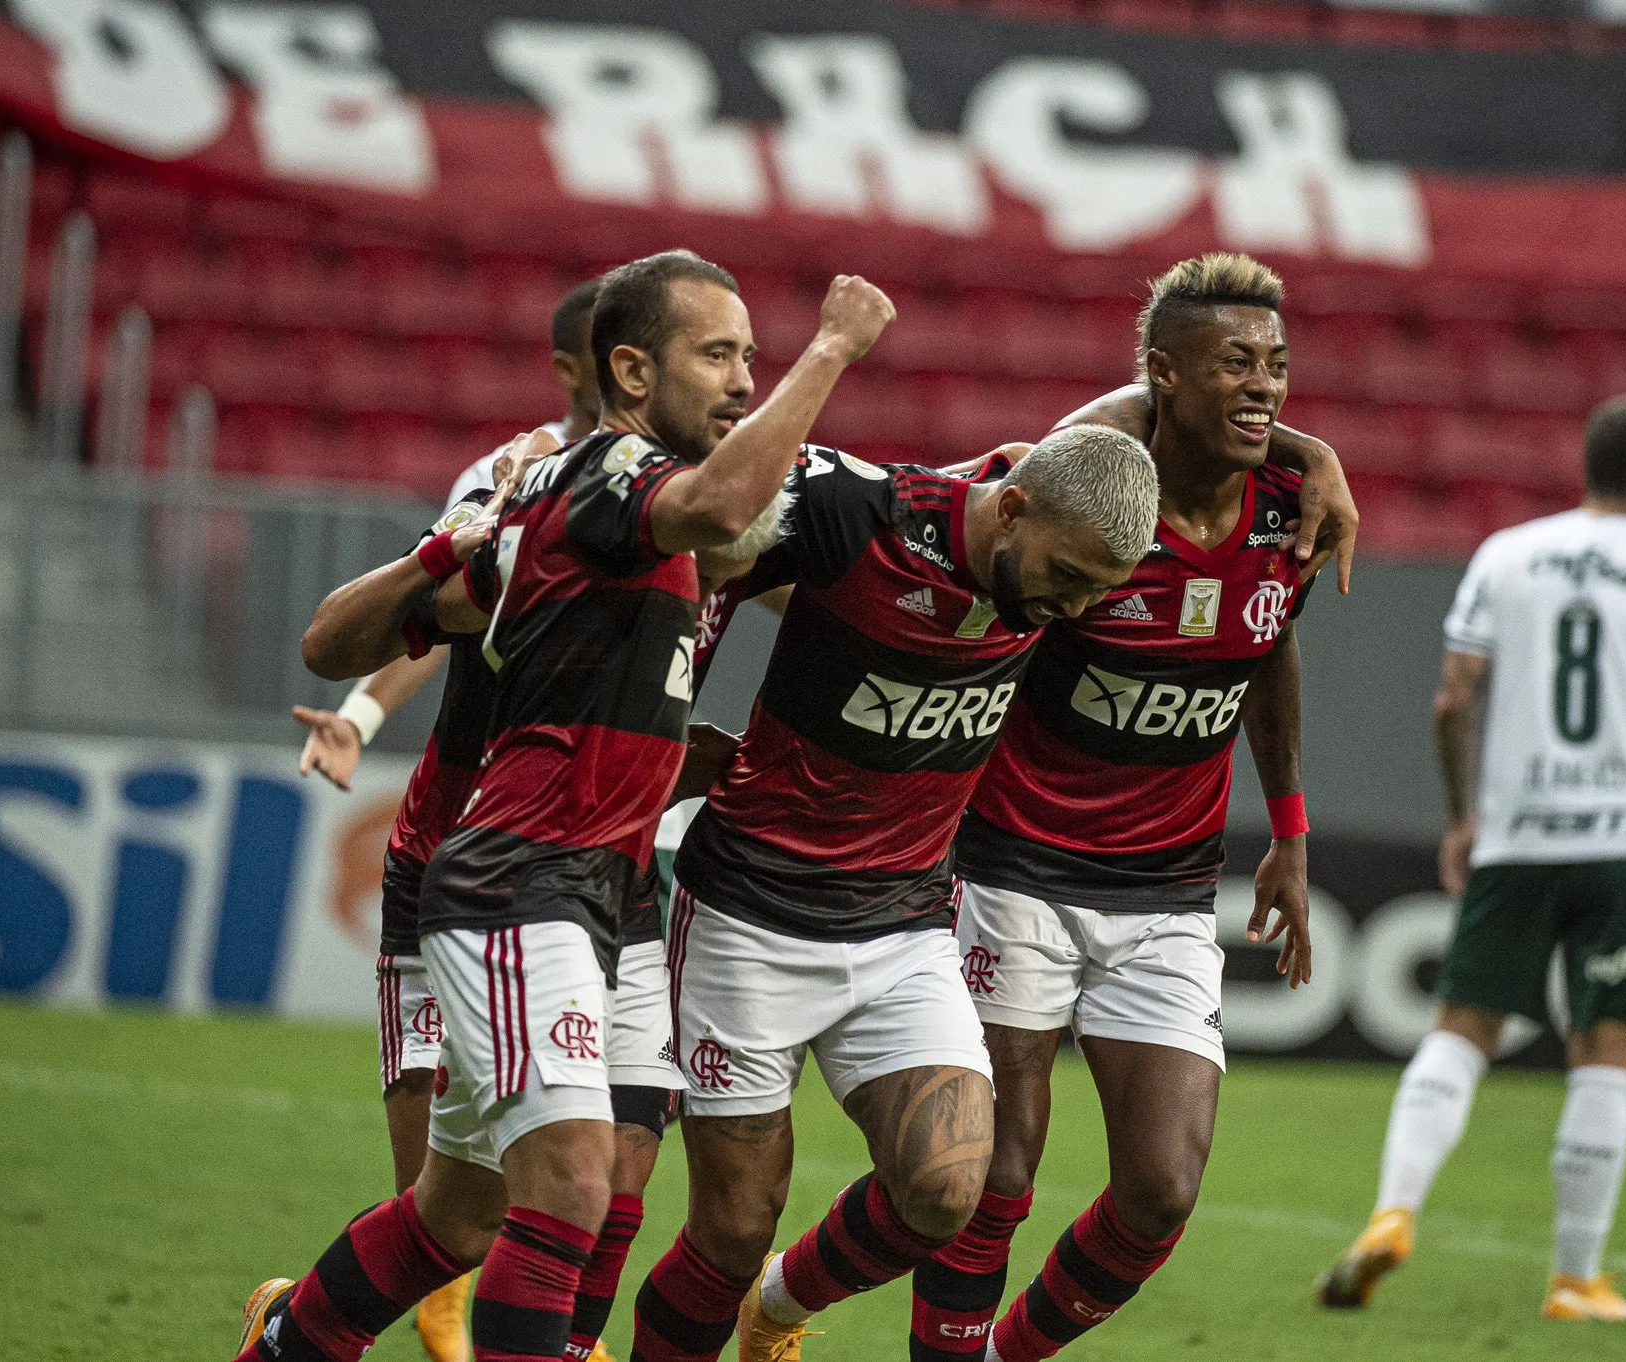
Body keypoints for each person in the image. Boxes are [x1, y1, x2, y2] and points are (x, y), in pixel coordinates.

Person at [232, 251, 895, 1362]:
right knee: (570, 1180)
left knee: (490, 1204)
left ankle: (285, 1341)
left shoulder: (601, 502)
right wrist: (830, 350)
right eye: (718, 355)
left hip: (614, 884)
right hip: (515, 880)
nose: (744, 379)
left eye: (754, 356)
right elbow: (337, 638)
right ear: (630, 372)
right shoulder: (608, 484)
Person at [619, 424, 1160, 1362]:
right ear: (1014, 507)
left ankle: (776, 1309)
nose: (1072, 606)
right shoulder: (858, 516)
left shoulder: (1040, 515)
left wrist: (1310, 457)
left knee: (950, 1188)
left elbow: (1149, 404)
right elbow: (708, 534)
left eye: (1096, 591)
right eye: (1068, 574)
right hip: (747, 915)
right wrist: (656, 730)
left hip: (902, 923)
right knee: (733, 1228)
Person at [902, 253, 1316, 1362]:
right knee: (998, 1170)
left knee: (1162, 1191)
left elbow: (1269, 656)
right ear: (1160, 376)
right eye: (1233, 362)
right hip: (1014, 863)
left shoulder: (1290, 509)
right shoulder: (1083, 501)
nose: (1263, 387)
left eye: (1276, 365)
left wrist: (1287, 832)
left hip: (1168, 888)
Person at [1315, 394, 1626, 1323]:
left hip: (1517, 839)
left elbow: (1451, 701)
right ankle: (1574, 1280)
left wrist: (1461, 816)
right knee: (1605, 1055)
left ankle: (1392, 1212)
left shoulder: (1505, 555)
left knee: (1459, 1033)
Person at [288, 278, 605, 1362]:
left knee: (604, 1155)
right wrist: (359, 711)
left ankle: (550, 1335)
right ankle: (339, 1319)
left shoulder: (696, 495)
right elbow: (429, 619)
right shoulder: (506, 481)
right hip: (466, 844)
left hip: (588, 856)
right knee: (443, 1194)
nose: (734, 382)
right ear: (592, 367)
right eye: (711, 355)